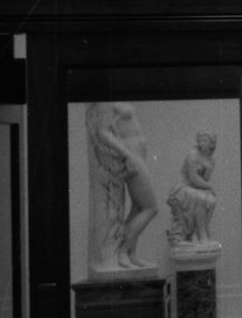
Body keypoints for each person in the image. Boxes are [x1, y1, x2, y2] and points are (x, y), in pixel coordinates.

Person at [89, 102, 159, 272]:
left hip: (137, 155)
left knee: (138, 207)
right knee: (151, 208)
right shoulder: (106, 101)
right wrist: (126, 154)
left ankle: (131, 253)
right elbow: (103, 132)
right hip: (131, 155)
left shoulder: (118, 96)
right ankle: (122, 250)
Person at [166, 131, 218, 245]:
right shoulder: (193, 155)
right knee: (201, 199)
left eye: (204, 141)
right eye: (200, 141)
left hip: (197, 188)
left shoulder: (210, 159)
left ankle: (203, 230)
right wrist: (209, 187)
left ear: (211, 144)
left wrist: (208, 169)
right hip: (184, 187)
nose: (201, 143)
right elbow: (193, 177)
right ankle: (201, 233)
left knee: (212, 201)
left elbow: (205, 179)